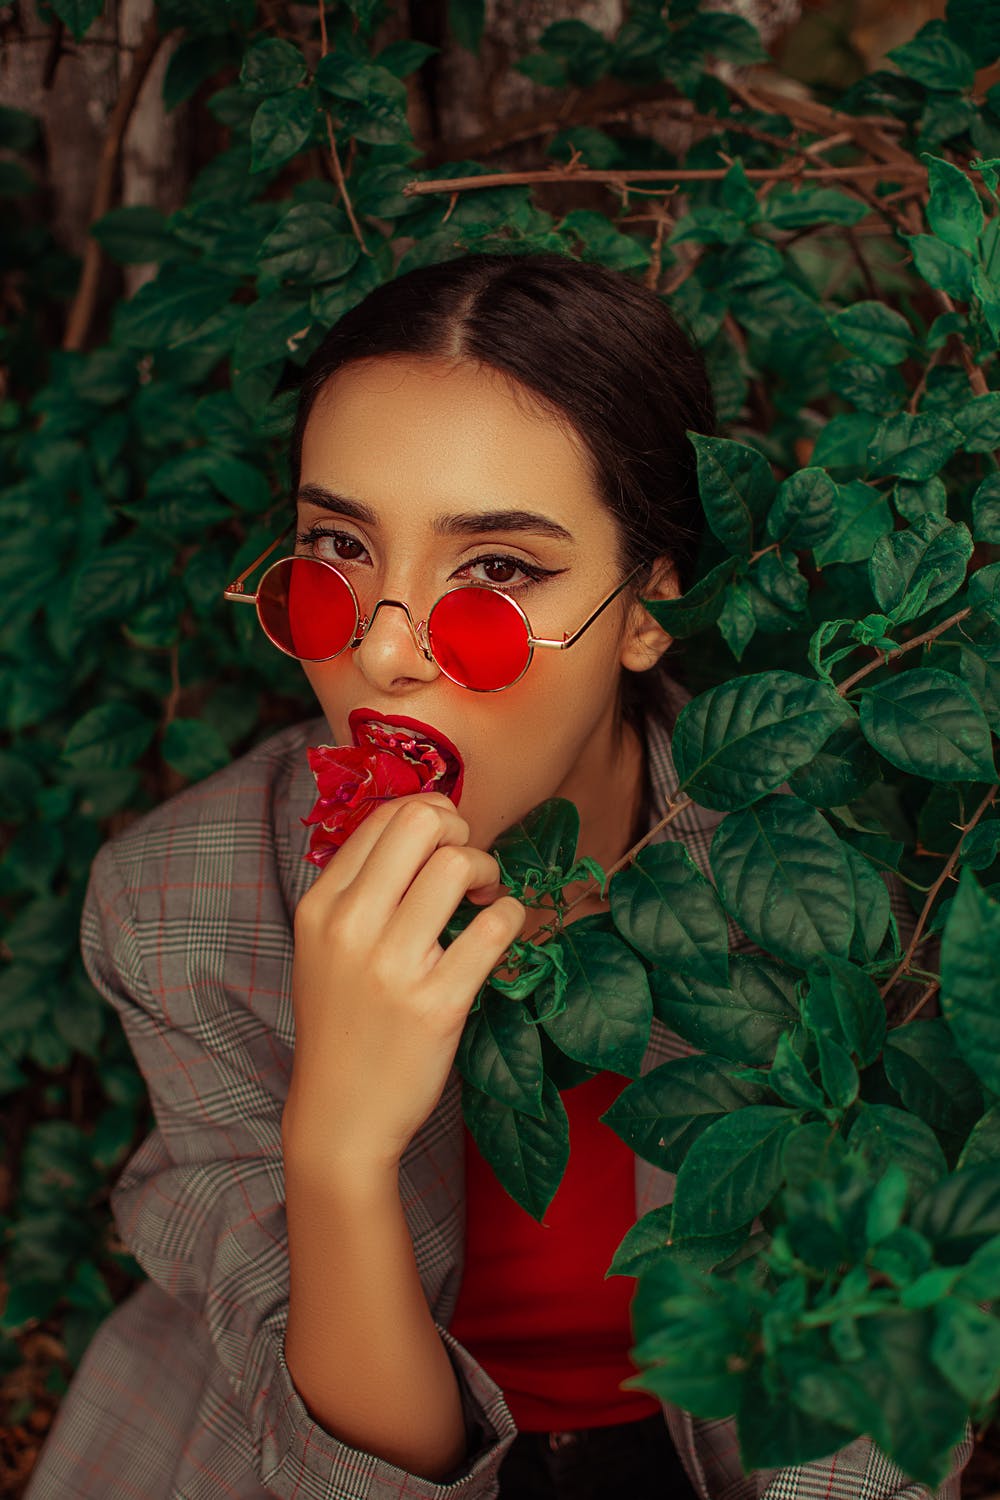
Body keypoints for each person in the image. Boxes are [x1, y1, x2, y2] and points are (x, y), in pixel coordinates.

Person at [26, 253, 968, 1500]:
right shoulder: (176, 904)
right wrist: (339, 1147)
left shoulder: (840, 887)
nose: (384, 652)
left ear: (645, 607)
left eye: (500, 573)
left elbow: (871, 1397)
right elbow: (349, 1473)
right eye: (337, 550)